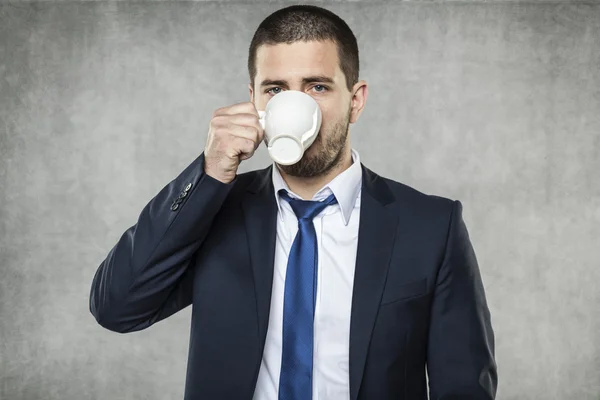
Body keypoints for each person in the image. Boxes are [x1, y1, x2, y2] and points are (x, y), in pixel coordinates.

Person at [89, 4, 498, 400]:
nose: (295, 104)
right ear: (255, 101)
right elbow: (117, 308)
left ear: (355, 100)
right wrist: (208, 172)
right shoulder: (215, 209)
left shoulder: (430, 226)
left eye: (317, 87)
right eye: (276, 89)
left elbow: (463, 388)